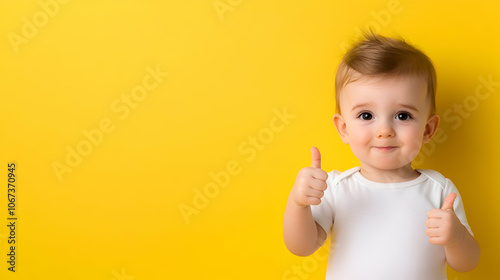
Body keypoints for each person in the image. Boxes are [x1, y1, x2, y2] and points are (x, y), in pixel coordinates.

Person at [282, 33, 480, 279]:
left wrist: (457, 237)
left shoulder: (439, 190)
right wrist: (298, 203)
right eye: (366, 116)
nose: (384, 131)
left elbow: (467, 263)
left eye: (403, 116)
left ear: (428, 129)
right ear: (344, 128)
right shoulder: (336, 188)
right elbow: (301, 246)